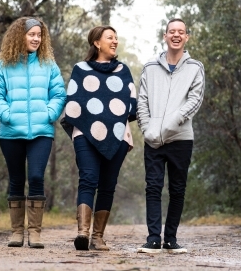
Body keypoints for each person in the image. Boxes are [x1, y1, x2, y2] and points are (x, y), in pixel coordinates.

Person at [0, 17, 66, 248]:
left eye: (39, 35)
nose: (35, 38)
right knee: (16, 179)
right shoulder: (3, 65)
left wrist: (49, 114)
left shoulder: (49, 65)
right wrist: (7, 115)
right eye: (31, 34)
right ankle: (16, 233)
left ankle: (35, 233)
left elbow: (59, 95)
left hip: (41, 131)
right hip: (11, 132)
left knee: (35, 177)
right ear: (19, 36)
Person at [61, 25, 137, 251]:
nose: (115, 42)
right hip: (85, 132)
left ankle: (98, 237)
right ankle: (82, 234)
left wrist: (109, 119)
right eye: (110, 38)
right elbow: (73, 102)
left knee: (108, 185)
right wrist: (94, 120)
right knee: (88, 178)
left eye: (116, 38)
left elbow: (131, 102)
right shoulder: (80, 69)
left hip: (117, 135)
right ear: (96, 42)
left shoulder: (123, 70)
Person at [136, 18, 205, 254]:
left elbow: (194, 101)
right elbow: (142, 101)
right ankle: (153, 239)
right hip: (153, 139)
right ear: (165, 36)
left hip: (181, 138)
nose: (176, 35)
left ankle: (171, 239)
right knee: (153, 188)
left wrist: (172, 123)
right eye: (171, 31)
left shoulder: (195, 67)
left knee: (177, 190)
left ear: (186, 37)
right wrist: (147, 129)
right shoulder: (150, 68)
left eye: (181, 32)